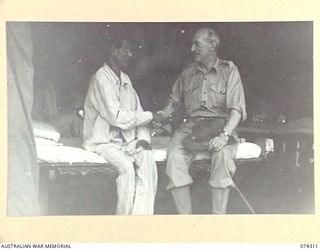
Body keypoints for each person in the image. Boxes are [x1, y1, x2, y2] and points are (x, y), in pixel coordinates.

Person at [155, 27, 247, 214]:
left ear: (212, 45)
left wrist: (224, 135)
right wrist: (162, 114)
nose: (192, 49)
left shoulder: (229, 70)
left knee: (222, 158)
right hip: (190, 128)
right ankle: (186, 219)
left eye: (197, 44)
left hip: (221, 125)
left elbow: (236, 110)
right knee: (174, 159)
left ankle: (217, 219)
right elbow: (173, 101)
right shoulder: (187, 73)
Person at [82, 36, 158, 215]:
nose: (130, 54)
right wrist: (151, 116)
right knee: (126, 168)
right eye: (126, 50)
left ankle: (141, 218)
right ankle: (123, 220)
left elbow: (137, 112)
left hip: (127, 141)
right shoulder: (100, 78)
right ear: (112, 51)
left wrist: (143, 139)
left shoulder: (125, 79)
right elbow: (117, 117)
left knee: (147, 159)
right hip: (103, 142)